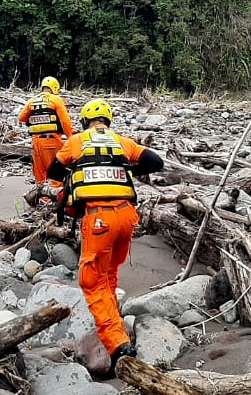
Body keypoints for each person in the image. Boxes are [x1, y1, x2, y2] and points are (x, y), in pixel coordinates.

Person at [48, 99, 163, 371]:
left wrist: (79, 171)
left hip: (99, 219)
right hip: (127, 217)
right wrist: (128, 169)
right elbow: (155, 162)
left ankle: (117, 344)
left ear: (85, 121)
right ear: (108, 120)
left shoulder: (77, 141)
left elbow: (54, 171)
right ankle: (114, 317)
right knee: (109, 273)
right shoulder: (122, 142)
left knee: (91, 282)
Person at [17, 76, 74, 196]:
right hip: (51, 141)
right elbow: (65, 122)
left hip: (36, 143)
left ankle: (42, 199)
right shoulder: (56, 99)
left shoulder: (33, 100)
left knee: (40, 174)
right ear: (54, 88)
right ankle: (56, 200)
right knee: (55, 173)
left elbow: (22, 118)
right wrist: (71, 138)